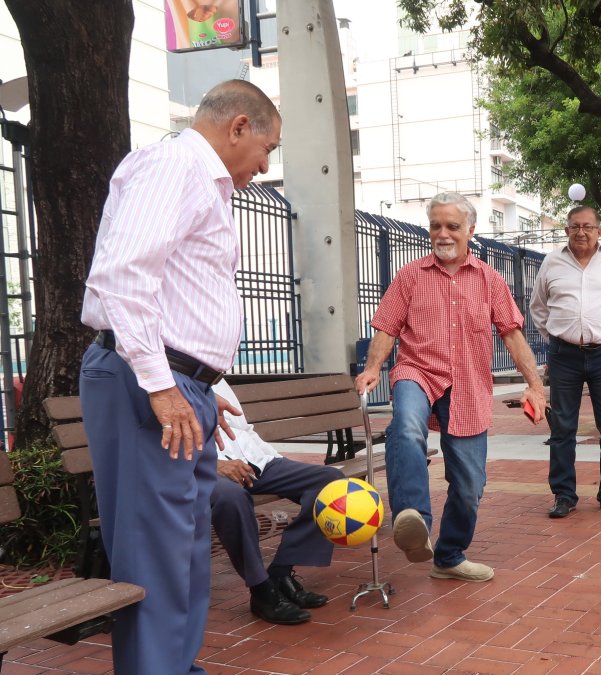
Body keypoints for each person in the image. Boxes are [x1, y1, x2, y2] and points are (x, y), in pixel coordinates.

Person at [79, 80, 280, 674]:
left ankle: (176, 665)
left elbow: (182, 300)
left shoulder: (205, 183)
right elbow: (124, 278)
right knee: (155, 552)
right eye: (268, 147)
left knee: (186, 549)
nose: (266, 165)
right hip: (147, 380)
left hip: (176, 381)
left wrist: (199, 390)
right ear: (238, 126)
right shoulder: (176, 167)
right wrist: (164, 386)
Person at [354, 192, 547, 584]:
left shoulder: (490, 280)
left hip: (469, 385)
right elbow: (387, 326)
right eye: (436, 225)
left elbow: (512, 335)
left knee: (470, 486)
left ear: (470, 231)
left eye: (452, 226)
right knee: (406, 427)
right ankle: (414, 520)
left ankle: (449, 555)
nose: (442, 233)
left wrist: (535, 386)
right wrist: (373, 367)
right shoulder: (410, 276)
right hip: (418, 371)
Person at [529, 206, 601, 519]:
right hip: (564, 356)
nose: (581, 232)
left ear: (599, 230)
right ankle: (564, 495)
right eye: (575, 226)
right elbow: (538, 307)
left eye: (588, 226)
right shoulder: (552, 262)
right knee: (563, 428)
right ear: (566, 230)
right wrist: (556, 338)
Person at [209, 379, 344, 625]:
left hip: (255, 461)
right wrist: (214, 464)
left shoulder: (214, 374)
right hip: (204, 468)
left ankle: (281, 573)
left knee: (331, 482)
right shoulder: (162, 375)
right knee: (233, 498)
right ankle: (261, 589)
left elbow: (244, 429)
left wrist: (274, 459)